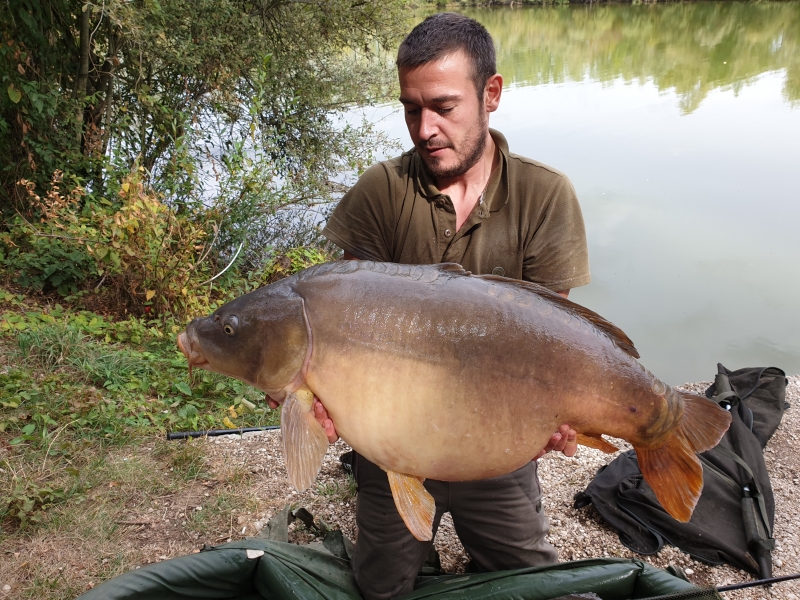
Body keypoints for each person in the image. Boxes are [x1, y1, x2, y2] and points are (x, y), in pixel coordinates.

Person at [272, 12, 591, 600]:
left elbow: (554, 340)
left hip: (494, 443)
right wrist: (305, 387)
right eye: (411, 109)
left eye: (443, 107)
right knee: (382, 586)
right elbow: (336, 325)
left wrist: (558, 413)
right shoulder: (381, 193)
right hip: (392, 442)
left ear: (491, 94)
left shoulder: (544, 196)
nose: (424, 128)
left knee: (535, 585)